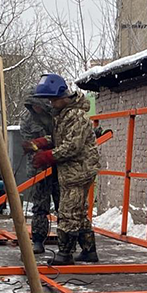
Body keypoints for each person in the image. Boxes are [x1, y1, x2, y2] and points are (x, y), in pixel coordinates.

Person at [28, 74, 100, 264]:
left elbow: (72, 146)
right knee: (79, 211)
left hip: (78, 171)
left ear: (62, 96)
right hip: (73, 170)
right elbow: (62, 139)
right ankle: (88, 250)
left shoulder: (75, 116)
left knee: (67, 211)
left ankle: (64, 254)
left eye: (52, 99)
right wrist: (41, 143)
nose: (51, 104)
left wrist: (47, 156)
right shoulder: (65, 115)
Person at [19, 88, 60, 255]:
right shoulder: (27, 118)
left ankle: (67, 242)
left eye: (37, 105)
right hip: (39, 166)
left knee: (63, 204)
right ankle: (37, 240)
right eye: (32, 106)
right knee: (39, 204)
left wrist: (47, 144)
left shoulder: (57, 115)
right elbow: (28, 142)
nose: (35, 108)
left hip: (59, 162)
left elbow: (65, 137)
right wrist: (37, 151)